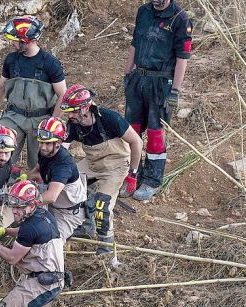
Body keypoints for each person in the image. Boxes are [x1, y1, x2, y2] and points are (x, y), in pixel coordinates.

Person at [60, 85, 144, 255]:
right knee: (67, 186)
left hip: (116, 166)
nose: (70, 116)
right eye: (68, 111)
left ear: (85, 107)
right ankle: (85, 226)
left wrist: (132, 174)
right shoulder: (73, 124)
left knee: (102, 206)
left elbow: (137, 142)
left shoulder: (110, 118)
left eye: (74, 111)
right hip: (92, 163)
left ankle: (105, 247)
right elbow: (62, 148)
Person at [123, 0, 192, 201]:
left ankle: (152, 180)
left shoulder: (181, 18)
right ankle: (132, 174)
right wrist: (127, 73)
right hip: (138, 79)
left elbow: (182, 57)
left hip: (161, 83)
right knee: (131, 130)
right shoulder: (143, 11)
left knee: (155, 133)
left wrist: (175, 91)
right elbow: (135, 43)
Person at [0, 15, 67, 170]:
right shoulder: (11, 59)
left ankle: (33, 190)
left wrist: (52, 123)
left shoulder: (50, 63)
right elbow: (1, 87)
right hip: (14, 116)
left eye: (15, 40)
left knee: (40, 163)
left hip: (40, 119)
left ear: (26, 40)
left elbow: (63, 96)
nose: (12, 43)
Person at [29, 117, 87, 241]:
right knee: (29, 230)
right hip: (52, 205)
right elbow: (38, 169)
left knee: (50, 242)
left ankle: (78, 228)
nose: (43, 147)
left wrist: (27, 203)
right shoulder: (45, 152)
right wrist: (26, 180)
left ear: (58, 143)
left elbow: (51, 196)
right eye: (41, 142)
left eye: (48, 143)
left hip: (68, 213)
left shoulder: (63, 163)